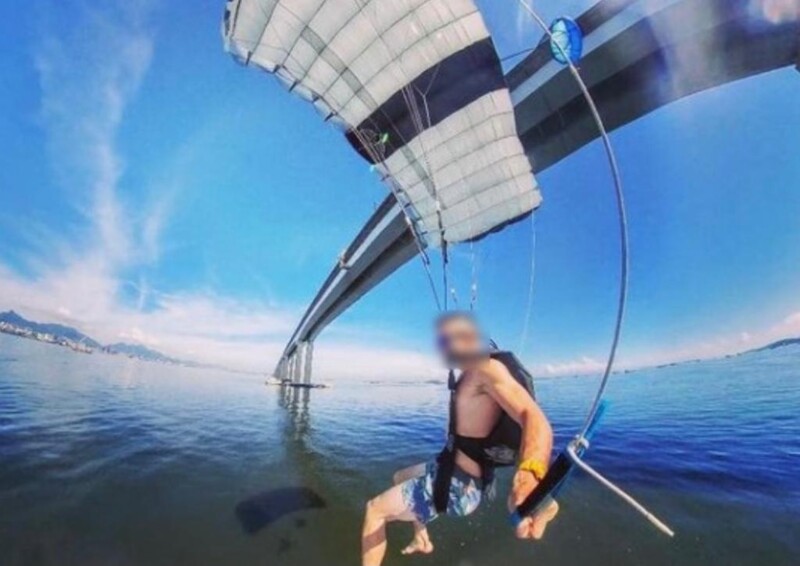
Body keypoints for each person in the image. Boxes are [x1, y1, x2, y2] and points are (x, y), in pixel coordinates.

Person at [361, 312, 559, 566]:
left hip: (458, 487)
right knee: (400, 476)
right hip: (446, 467)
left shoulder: (485, 368)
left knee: (374, 511)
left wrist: (530, 475)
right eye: (443, 342)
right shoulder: (467, 375)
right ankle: (422, 538)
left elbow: (532, 416)